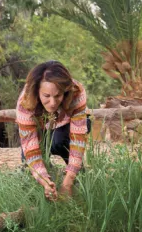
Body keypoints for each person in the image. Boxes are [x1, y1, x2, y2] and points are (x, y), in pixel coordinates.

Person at [16, 61, 90, 200]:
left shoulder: (76, 92)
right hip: (41, 126)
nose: (53, 102)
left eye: (58, 96)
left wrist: (68, 181)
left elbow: (78, 138)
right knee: (28, 163)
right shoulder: (25, 102)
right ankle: (47, 182)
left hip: (68, 125)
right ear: (37, 91)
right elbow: (30, 148)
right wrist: (43, 180)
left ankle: (77, 176)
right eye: (46, 96)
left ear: (65, 91)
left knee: (59, 141)